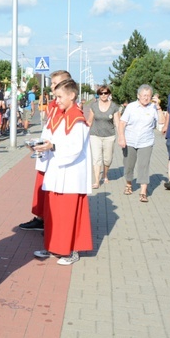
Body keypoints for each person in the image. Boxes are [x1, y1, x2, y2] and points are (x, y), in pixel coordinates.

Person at [32, 79, 93, 265]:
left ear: (72, 95)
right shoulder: (59, 115)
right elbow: (49, 137)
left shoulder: (77, 119)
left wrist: (53, 146)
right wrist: (40, 146)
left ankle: (70, 251)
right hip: (56, 173)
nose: (56, 100)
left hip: (71, 176)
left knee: (67, 216)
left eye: (59, 96)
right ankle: (53, 247)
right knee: (53, 215)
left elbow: (74, 148)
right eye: (55, 96)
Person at [19, 70, 72, 232]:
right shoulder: (53, 105)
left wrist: (51, 145)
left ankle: (48, 222)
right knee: (41, 187)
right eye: (52, 84)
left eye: (56, 84)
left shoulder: (67, 107)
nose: (52, 87)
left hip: (57, 156)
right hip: (46, 152)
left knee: (51, 191)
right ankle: (41, 218)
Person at [117, 85, 162, 203]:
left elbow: (161, 122)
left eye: (148, 95)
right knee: (129, 164)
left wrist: (158, 107)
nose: (146, 98)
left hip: (146, 141)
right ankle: (128, 184)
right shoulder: (131, 107)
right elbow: (122, 123)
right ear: (138, 96)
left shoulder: (153, 108)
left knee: (144, 165)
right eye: (144, 95)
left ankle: (143, 191)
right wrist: (121, 137)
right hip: (130, 141)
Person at [85, 85, 120, 188]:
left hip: (109, 135)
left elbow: (117, 122)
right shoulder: (94, 106)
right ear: (98, 94)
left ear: (109, 94)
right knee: (96, 158)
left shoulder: (114, 106)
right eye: (101, 93)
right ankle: (96, 181)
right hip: (95, 135)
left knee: (107, 159)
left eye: (105, 93)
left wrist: (121, 136)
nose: (103, 95)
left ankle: (105, 174)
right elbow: (90, 121)